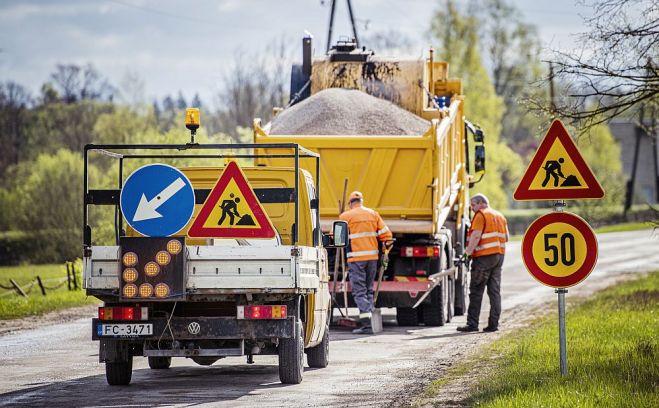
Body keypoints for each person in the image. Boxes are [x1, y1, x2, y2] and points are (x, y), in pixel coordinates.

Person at [340, 191, 393, 334]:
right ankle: (371, 321)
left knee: (359, 292)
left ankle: (367, 325)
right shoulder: (373, 214)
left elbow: (336, 237)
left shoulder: (346, 216)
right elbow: (387, 236)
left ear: (351, 203)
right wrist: (385, 247)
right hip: (372, 259)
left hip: (356, 260)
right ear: (361, 201)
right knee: (369, 290)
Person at [457, 193, 509, 333]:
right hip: (499, 257)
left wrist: (467, 253)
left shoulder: (481, 215)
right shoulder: (499, 216)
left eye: (473, 205)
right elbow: (506, 237)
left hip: (484, 259)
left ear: (481, 203)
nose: (472, 209)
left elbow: (476, 235)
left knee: (476, 291)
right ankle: (493, 325)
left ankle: (472, 324)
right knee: (494, 292)